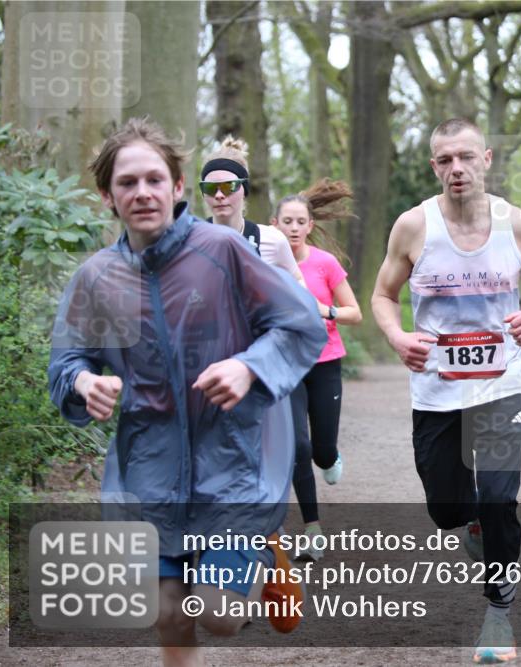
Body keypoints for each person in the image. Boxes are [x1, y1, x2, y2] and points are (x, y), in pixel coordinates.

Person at [48, 117, 327, 666]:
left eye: (155, 179)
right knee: (169, 616)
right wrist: (84, 381)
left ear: (178, 187)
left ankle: (267, 551)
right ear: (108, 194)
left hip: (232, 466)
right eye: (128, 183)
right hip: (148, 471)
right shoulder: (96, 278)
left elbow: (301, 325)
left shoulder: (221, 251)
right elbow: (66, 360)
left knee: (219, 616)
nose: (143, 192)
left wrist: (249, 367)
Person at [372, 118, 521, 664]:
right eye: (444, 160)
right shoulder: (413, 227)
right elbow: (383, 295)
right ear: (433, 166)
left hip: (501, 384)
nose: (455, 168)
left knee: (501, 497)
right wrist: (396, 335)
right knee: (445, 508)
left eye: (465, 157)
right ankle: (472, 524)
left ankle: (499, 615)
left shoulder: (519, 225)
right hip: (436, 391)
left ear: (485, 158)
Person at [272, 180, 363, 561]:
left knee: (321, 450)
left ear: (310, 225)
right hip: (286, 365)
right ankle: (313, 530)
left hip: (325, 362)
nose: (293, 228)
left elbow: (354, 314)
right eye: (287, 221)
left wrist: (322, 310)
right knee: (297, 446)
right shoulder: (265, 264)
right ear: (275, 225)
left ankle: (329, 458)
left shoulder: (324, 264)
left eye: (300, 222)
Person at [200, 136, 305, 285]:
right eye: (210, 188)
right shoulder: (190, 241)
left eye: (229, 186)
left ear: (245, 189)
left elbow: (298, 283)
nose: (219, 195)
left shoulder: (272, 240)